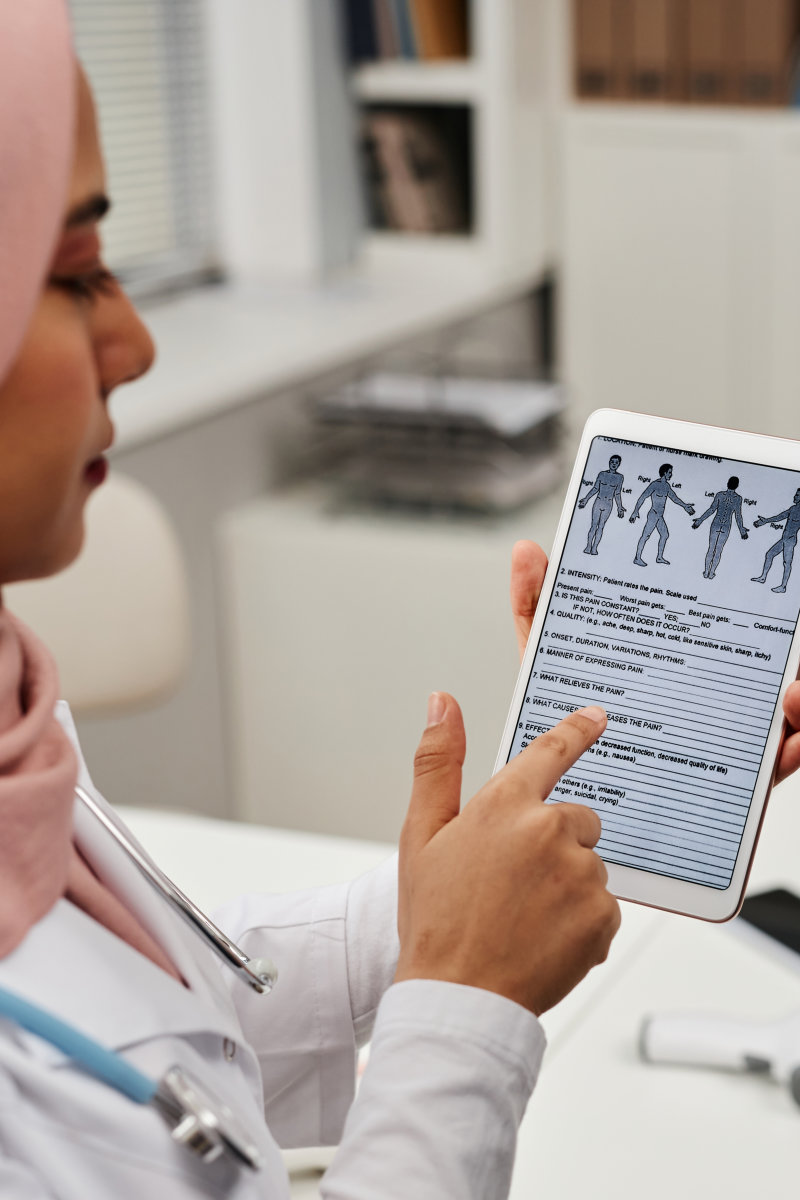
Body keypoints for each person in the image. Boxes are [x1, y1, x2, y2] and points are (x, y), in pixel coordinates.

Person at [1, 10, 799, 1199]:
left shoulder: (17, 726)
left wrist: (470, 894)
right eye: (69, 275)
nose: (135, 340)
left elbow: (176, 1031)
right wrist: (464, 1004)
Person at [629, 463, 696, 567]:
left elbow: (674, 498)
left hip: (659, 516)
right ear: (664, 473)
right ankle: (637, 558)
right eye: (669, 472)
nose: (671, 475)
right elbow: (643, 497)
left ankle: (659, 557)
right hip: (653, 515)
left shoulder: (666, 486)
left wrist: (685, 506)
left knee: (665, 535)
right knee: (645, 536)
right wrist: (635, 511)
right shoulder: (655, 484)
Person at [691, 476, 748, 579]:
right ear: (737, 486)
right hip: (726, 526)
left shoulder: (720, 495)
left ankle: (706, 572)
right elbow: (738, 516)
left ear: (727, 483)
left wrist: (699, 521)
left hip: (716, 523)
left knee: (711, 548)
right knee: (718, 550)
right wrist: (742, 531)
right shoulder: (738, 498)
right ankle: (712, 572)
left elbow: (711, 510)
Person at [751, 488, 800, 594]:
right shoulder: (793, 508)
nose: (794, 497)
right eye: (795, 495)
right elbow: (780, 517)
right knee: (769, 554)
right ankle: (763, 577)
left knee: (787, 563)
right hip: (783, 539)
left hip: (790, 541)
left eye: (797, 495)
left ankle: (783, 586)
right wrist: (766, 521)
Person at [578, 454, 626, 555]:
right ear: (609, 462)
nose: (614, 464)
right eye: (612, 462)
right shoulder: (602, 474)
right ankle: (588, 546)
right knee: (593, 525)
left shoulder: (620, 477)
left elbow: (617, 493)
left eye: (616, 463)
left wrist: (620, 507)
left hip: (608, 503)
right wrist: (586, 499)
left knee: (601, 526)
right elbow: (595, 488)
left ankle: (594, 548)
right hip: (598, 501)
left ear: (619, 464)